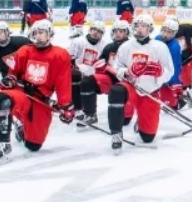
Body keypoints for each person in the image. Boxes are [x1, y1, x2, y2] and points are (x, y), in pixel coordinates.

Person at [0, 19, 74, 163]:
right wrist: (10, 80)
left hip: (41, 100)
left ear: (50, 34)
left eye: (42, 32)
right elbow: (13, 73)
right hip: (22, 94)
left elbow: (63, 81)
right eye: (36, 33)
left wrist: (65, 105)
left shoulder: (60, 54)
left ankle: (21, 125)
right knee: (2, 100)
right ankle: (4, 144)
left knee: (33, 145)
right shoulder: (24, 51)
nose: (38, 36)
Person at [110, 14, 174, 151]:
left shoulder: (160, 47)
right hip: (131, 87)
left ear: (149, 29)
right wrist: (128, 71)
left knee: (148, 137)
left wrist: (160, 71)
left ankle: (142, 120)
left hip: (150, 91)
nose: (139, 29)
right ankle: (116, 133)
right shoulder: (126, 46)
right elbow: (117, 68)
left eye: (143, 26)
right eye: (137, 26)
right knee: (116, 91)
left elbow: (170, 71)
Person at [77, 19, 132, 131]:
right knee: (87, 82)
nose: (118, 33)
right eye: (116, 31)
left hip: (128, 84)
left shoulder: (132, 47)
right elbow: (100, 64)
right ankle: (90, 114)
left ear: (127, 33)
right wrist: (100, 66)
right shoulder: (109, 47)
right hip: (110, 80)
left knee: (125, 121)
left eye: (121, 31)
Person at [0, 21, 31, 112]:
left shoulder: (22, 42)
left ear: (7, 32)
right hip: (9, 82)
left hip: (29, 79)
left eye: (0, 32)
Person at [69, 21, 110, 114]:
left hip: (94, 73)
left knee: (91, 81)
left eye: (99, 31)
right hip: (78, 70)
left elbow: (104, 63)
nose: (95, 32)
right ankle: (77, 106)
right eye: (94, 29)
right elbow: (70, 59)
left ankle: (90, 108)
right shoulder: (78, 41)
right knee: (74, 76)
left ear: (102, 34)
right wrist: (77, 68)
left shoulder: (105, 46)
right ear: (89, 30)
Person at [156, 18, 185, 111]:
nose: (165, 34)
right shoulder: (157, 39)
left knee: (171, 105)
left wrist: (171, 80)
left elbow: (176, 67)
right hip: (157, 71)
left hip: (169, 75)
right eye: (164, 31)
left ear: (174, 33)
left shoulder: (174, 47)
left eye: (169, 32)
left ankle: (179, 98)